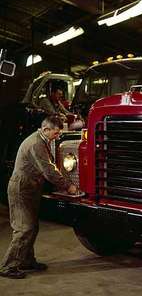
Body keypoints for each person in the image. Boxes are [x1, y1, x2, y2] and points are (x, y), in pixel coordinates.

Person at [0, 115, 77, 279]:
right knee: (24, 228)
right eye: (55, 133)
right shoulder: (36, 144)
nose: (57, 136)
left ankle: (26, 260)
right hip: (21, 189)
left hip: (30, 188)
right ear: (45, 129)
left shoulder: (42, 140)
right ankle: (8, 266)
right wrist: (68, 186)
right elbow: (48, 170)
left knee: (32, 227)